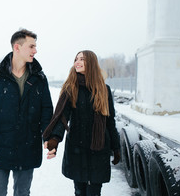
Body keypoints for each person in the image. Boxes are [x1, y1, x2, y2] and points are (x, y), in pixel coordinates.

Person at [0, 28, 53, 196]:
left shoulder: (39, 78)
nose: (35, 51)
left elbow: (46, 111)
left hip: (28, 148)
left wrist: (48, 137)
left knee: (22, 193)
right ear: (17, 47)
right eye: (31, 46)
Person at [42, 50, 121, 196]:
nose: (77, 62)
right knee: (80, 192)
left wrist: (116, 147)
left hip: (99, 148)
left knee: (94, 192)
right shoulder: (71, 88)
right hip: (77, 148)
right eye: (76, 59)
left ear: (90, 63)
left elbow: (110, 121)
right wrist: (54, 139)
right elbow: (62, 117)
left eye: (82, 59)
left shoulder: (104, 90)